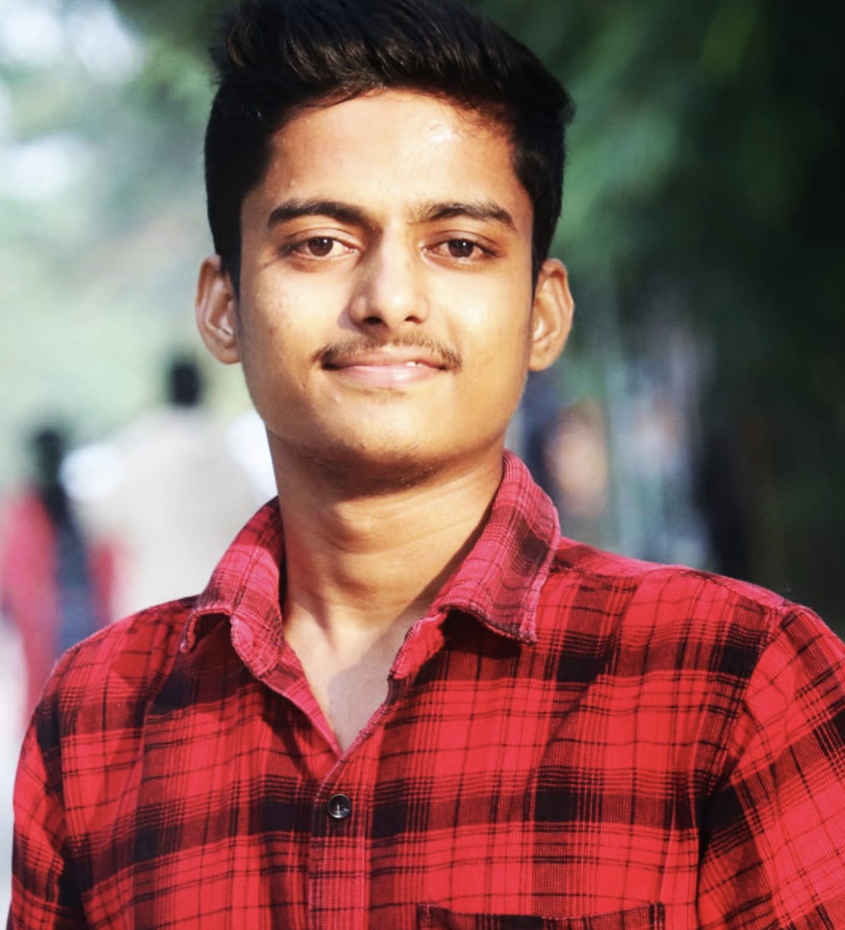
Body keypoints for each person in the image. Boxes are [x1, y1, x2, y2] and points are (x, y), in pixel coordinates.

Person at [8, 0, 845, 926]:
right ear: (223, 307)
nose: (389, 299)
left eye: (459, 246)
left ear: (541, 314)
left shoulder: (734, 681)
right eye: (319, 243)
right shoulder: (99, 718)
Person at [65, 354, 265, 619]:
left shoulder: (139, 452)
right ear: (203, 389)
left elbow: (99, 523)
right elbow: (254, 527)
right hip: (217, 611)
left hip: (153, 610)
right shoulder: (227, 456)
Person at [0, 425, 112, 727]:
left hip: (81, 616)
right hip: (45, 619)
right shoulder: (24, 511)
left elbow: (103, 561)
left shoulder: (77, 504)